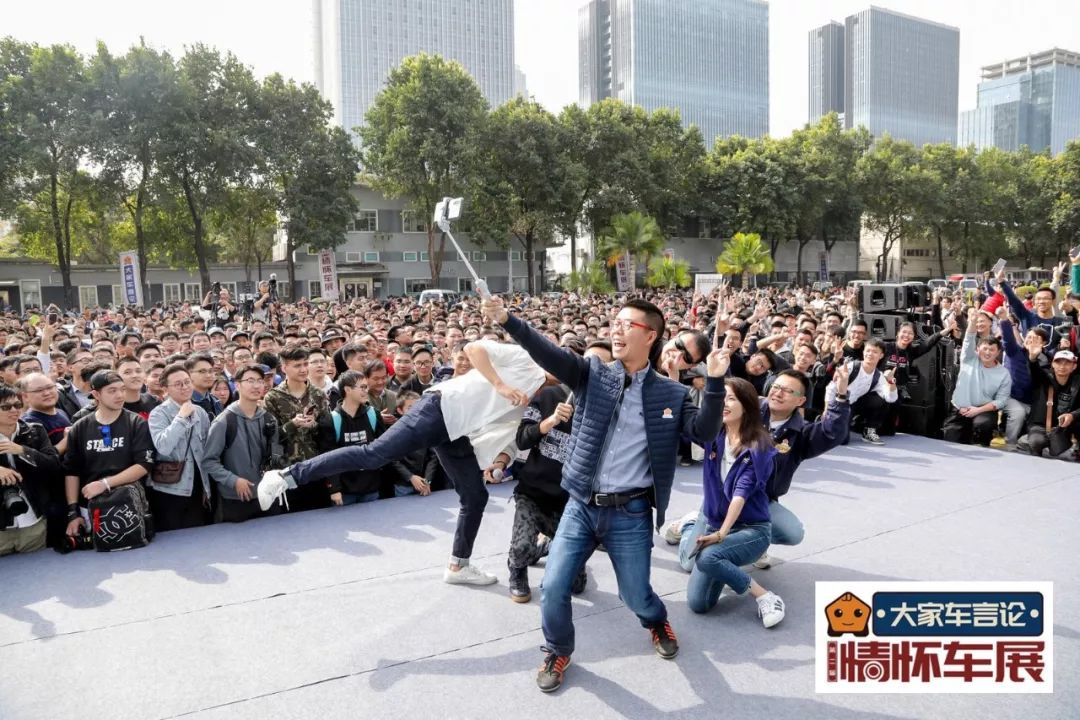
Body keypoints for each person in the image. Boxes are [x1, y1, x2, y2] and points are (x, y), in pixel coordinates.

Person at [482, 296, 724, 694]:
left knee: (636, 595)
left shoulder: (671, 394)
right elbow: (548, 351)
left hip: (631, 512)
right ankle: (558, 650)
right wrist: (508, 320)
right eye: (615, 322)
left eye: (628, 324)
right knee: (554, 587)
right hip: (580, 506)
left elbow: (705, 433)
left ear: (651, 336)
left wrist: (714, 382)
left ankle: (655, 621)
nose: (617, 329)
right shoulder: (591, 373)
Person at [259, 338, 550, 587]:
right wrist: (500, 385)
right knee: (372, 455)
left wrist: (500, 462)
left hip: (457, 432)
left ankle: (458, 565)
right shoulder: (526, 361)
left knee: (475, 496)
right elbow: (475, 348)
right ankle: (286, 476)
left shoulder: (543, 401)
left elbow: (514, 437)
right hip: (440, 408)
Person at [677, 377, 784, 626]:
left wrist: (722, 534)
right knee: (699, 603)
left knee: (707, 558)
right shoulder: (714, 434)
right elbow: (685, 421)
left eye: (731, 399)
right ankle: (690, 526)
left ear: (746, 405)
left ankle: (765, 596)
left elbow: (740, 494)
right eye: (721, 398)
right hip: (714, 522)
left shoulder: (759, 446)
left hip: (750, 530)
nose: (723, 403)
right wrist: (673, 377)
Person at [507, 343, 587, 604]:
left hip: (569, 501)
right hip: (533, 493)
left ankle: (547, 546)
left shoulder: (597, 406)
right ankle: (517, 568)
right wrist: (550, 422)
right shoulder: (546, 396)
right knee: (521, 547)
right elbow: (522, 439)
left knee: (576, 585)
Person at [62, 371, 155, 539]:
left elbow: (144, 464)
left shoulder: (136, 422)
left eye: (122, 389)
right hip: (91, 505)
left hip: (130, 502)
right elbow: (71, 471)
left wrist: (105, 484)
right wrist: (73, 512)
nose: (120, 395)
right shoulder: (80, 427)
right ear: (96, 394)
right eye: (112, 391)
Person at [202, 364, 284, 523]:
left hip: (267, 495)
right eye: (250, 381)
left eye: (260, 381)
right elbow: (209, 461)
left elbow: (276, 453)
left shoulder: (269, 419)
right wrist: (234, 481)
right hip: (235, 499)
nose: (256, 386)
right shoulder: (224, 421)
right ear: (237, 385)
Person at [263, 346, 335, 511]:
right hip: (287, 470)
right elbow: (269, 437)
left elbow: (327, 434)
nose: (303, 369)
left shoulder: (318, 395)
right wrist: (292, 425)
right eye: (297, 365)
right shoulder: (273, 398)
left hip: (316, 466)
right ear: (284, 368)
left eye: (305, 364)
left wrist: (313, 425)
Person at [148, 363, 212, 531]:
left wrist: (206, 488)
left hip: (197, 484)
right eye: (178, 384)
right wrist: (181, 418)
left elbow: (206, 449)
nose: (184, 387)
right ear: (165, 389)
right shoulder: (158, 413)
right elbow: (163, 446)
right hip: (170, 488)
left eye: (187, 382)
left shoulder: (200, 412)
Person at [0, 384, 62, 556]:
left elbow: (53, 464)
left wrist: (23, 451)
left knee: (36, 569)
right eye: (6, 407)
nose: (14, 410)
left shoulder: (34, 430)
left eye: (17, 405)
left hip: (33, 521)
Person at [943, 309, 1012, 447]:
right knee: (950, 439)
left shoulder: (1004, 374)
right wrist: (973, 321)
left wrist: (978, 410)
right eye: (984, 349)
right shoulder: (968, 358)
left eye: (992, 350)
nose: (988, 353)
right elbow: (969, 338)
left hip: (983, 411)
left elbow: (1002, 400)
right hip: (960, 409)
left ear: (998, 352)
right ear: (977, 349)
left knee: (982, 426)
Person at [326, 370, 390, 504]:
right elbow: (328, 457)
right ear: (347, 390)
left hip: (372, 487)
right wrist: (334, 489)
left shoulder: (373, 414)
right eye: (362, 387)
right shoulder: (332, 419)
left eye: (366, 387)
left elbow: (384, 448)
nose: (366, 391)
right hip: (344, 491)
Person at [827, 337, 898, 445]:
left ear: (881, 355)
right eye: (868, 350)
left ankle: (868, 430)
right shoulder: (852, 366)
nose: (870, 354)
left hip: (855, 404)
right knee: (842, 440)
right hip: (840, 404)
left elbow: (890, 398)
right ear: (863, 352)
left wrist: (891, 382)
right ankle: (827, 420)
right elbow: (831, 388)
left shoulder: (878, 376)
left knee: (881, 399)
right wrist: (826, 409)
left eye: (875, 352)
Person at [1025, 348, 1080, 458]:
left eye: (1067, 363)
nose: (1062, 366)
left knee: (1060, 453)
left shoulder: (1078, 382)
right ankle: (1025, 440)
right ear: (1053, 364)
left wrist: (1072, 415)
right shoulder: (1044, 378)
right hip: (1041, 426)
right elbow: (1034, 370)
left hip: (1064, 428)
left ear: (1074, 366)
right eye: (1058, 362)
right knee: (1036, 442)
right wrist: (1032, 358)